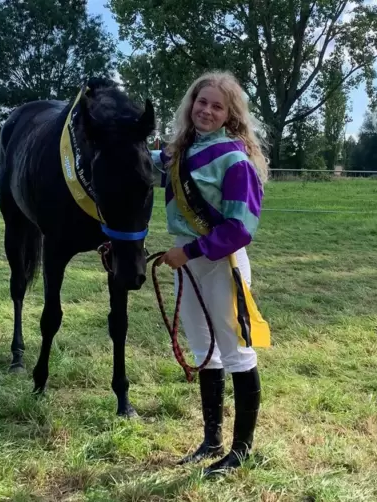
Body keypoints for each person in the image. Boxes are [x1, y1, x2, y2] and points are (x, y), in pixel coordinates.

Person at [150, 71, 270, 478]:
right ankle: (212, 440)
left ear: (229, 114)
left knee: (237, 353)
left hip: (222, 264)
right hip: (186, 264)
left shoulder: (236, 160)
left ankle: (241, 449)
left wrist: (190, 250)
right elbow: (145, 165)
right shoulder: (177, 152)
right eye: (202, 102)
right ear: (191, 104)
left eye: (217, 106)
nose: (206, 110)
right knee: (204, 352)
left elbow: (239, 229)